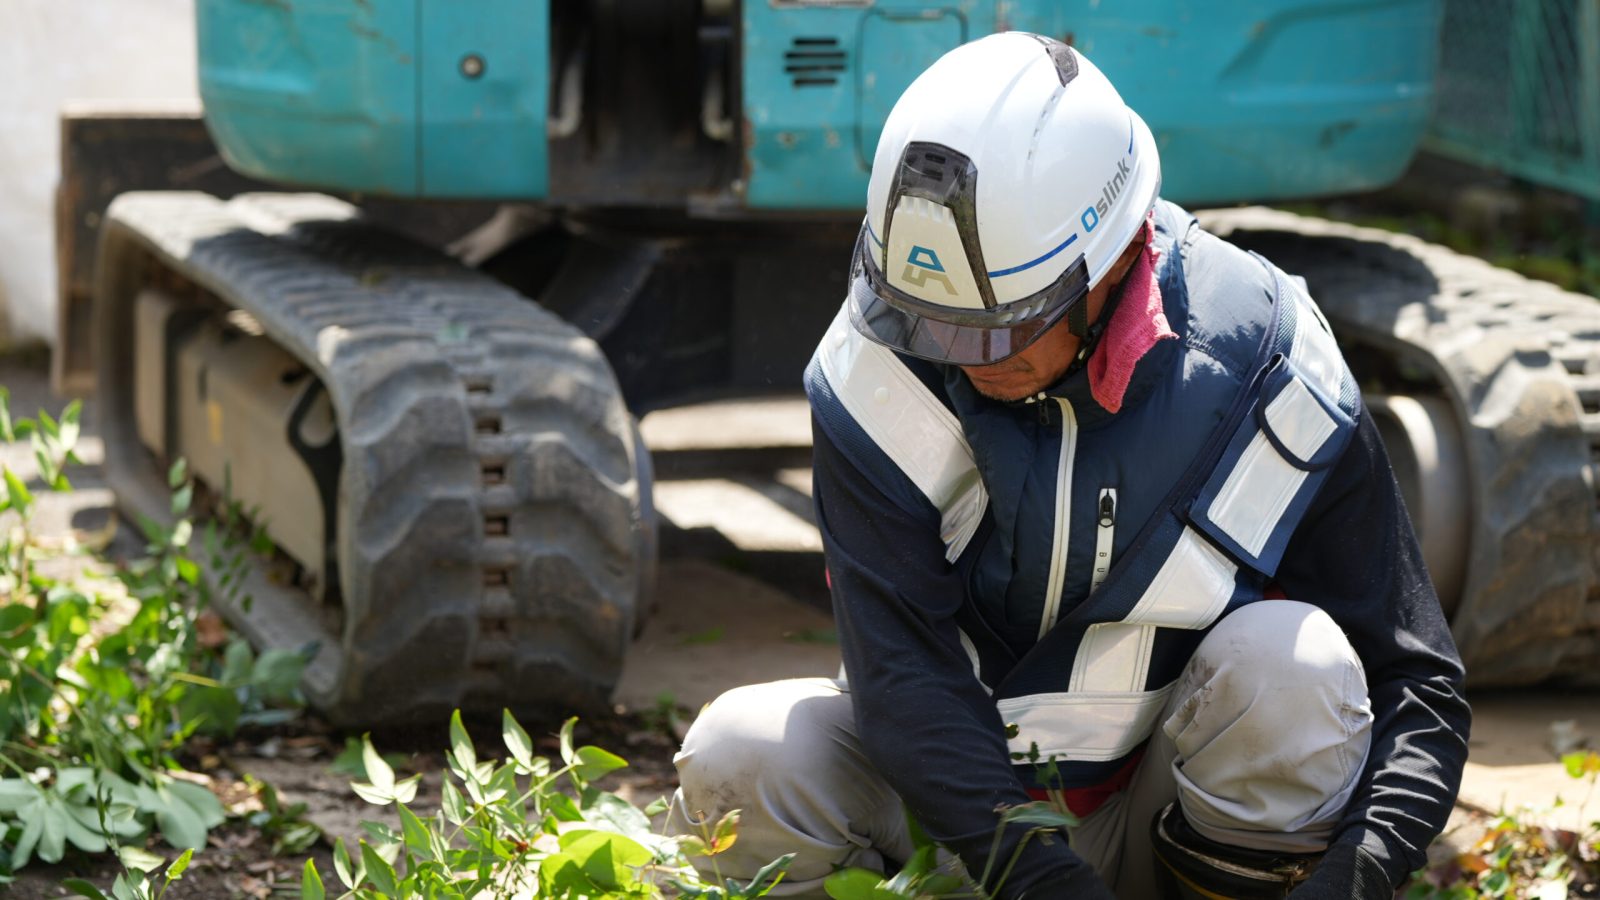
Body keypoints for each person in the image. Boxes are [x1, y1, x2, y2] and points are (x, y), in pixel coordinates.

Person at [669, 33, 1470, 899]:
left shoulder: (1273, 371)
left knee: (1295, 667)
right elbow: (905, 683)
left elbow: (1415, 680)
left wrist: (1357, 876)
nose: (962, 358)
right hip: (957, 830)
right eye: (926, 323)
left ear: (1118, 261)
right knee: (741, 757)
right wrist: (1042, 882)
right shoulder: (871, 370)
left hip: (1170, 819)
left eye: (999, 329)